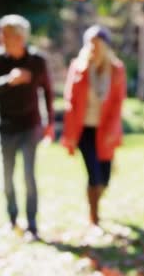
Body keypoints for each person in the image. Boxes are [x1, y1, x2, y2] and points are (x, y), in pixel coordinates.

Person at [0, 14, 55, 239]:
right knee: (7, 178)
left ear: (20, 37)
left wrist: (49, 122)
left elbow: (47, 91)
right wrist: (8, 80)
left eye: (6, 34)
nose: (1, 38)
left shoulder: (36, 61)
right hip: (5, 127)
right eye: (0, 33)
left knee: (29, 176)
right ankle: (12, 219)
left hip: (30, 127)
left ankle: (32, 224)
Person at [61, 25, 126, 228]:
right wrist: (69, 134)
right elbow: (70, 100)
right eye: (91, 44)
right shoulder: (78, 67)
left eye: (98, 44)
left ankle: (97, 200)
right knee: (94, 175)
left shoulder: (116, 70)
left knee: (104, 178)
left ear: (106, 46)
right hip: (84, 130)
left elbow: (118, 102)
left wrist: (112, 130)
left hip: (105, 130)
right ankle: (94, 217)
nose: (94, 48)